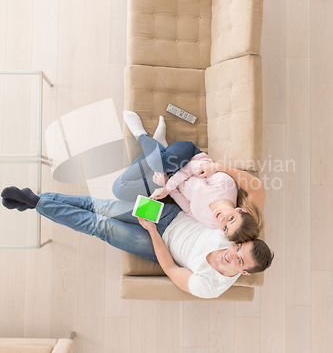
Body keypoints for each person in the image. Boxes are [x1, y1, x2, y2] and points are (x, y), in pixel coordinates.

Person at [1, 120, 274, 299]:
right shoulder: (235, 230)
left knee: (102, 226)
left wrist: (153, 232)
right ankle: (37, 199)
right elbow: (258, 189)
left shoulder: (211, 287)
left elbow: (170, 268)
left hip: (153, 242)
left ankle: (37, 203)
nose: (232, 253)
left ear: (244, 272)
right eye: (239, 249)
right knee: (103, 207)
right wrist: (216, 168)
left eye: (239, 260)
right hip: (169, 214)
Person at [122, 111, 265, 243]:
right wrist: (167, 188)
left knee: (120, 189)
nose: (222, 220)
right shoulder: (225, 186)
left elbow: (188, 209)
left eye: (225, 228)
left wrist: (167, 184)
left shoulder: (211, 223)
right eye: (231, 219)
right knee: (159, 164)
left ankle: (159, 147)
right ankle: (140, 133)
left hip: (172, 178)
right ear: (240, 210)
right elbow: (188, 169)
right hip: (187, 158)